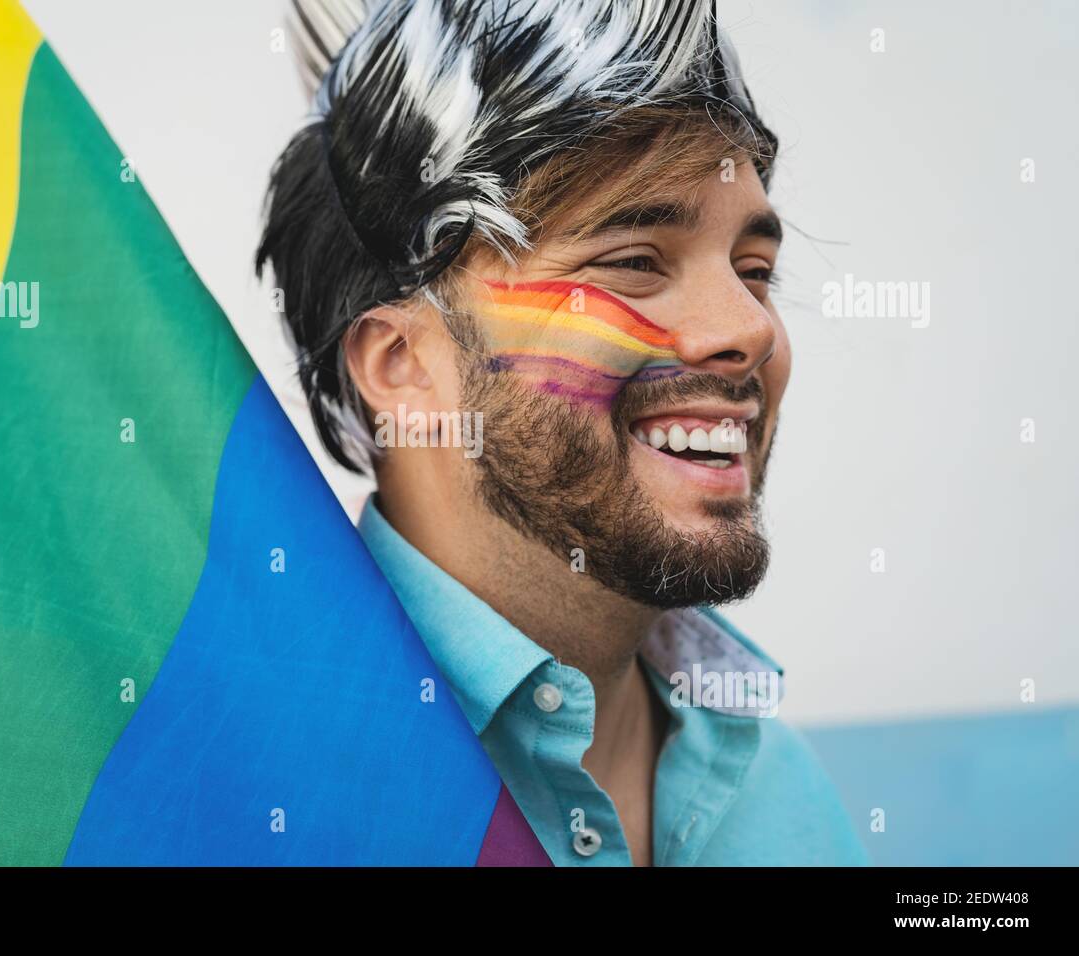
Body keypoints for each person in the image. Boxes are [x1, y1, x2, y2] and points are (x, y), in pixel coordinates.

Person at [257, 0, 867, 866]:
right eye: (633, 261)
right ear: (401, 364)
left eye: (754, 270)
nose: (752, 329)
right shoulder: (246, 785)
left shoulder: (784, 791)